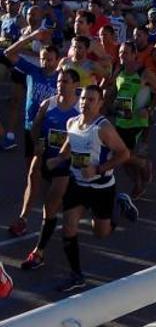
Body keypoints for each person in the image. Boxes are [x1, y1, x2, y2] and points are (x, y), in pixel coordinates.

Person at [45, 85, 136, 293]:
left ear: (100, 103)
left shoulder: (103, 128)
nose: (86, 102)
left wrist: (99, 168)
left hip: (102, 187)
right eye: (84, 98)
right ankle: (76, 275)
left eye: (92, 99)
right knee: (68, 227)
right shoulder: (72, 122)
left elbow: (124, 154)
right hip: (78, 185)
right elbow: (69, 146)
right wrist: (58, 159)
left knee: (101, 233)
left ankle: (119, 205)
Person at [18, 69, 80, 270]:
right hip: (46, 157)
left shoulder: (81, 108)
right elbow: (35, 128)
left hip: (65, 164)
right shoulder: (48, 104)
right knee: (33, 176)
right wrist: (37, 144)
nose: (61, 84)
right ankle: (23, 216)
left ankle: (39, 252)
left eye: (66, 81)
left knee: (50, 205)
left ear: (75, 85)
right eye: (59, 81)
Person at [4, 31, 61, 237]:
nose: (46, 62)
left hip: (48, 131)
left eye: (50, 59)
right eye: (44, 58)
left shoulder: (61, 79)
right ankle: (32, 216)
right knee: (33, 175)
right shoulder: (32, 71)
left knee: (43, 175)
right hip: (30, 129)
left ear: (57, 61)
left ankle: (27, 218)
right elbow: (9, 52)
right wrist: (33, 36)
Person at [112, 41, 156, 198]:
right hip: (121, 119)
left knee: (124, 155)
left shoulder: (143, 73)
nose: (122, 56)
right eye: (120, 53)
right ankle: (139, 177)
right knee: (124, 158)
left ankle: (141, 173)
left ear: (134, 55)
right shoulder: (119, 71)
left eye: (126, 53)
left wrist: (149, 109)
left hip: (136, 122)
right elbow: (113, 91)